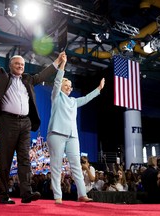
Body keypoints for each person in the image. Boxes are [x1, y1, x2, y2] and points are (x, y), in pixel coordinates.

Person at [0, 23, 65, 204]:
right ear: (10, 65)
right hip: (7, 122)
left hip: (25, 123)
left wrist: (57, 63)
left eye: (22, 64)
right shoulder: (3, 76)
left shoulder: (28, 79)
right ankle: (3, 196)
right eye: (17, 64)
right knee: (5, 160)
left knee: (25, 159)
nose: (20, 66)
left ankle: (26, 193)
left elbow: (43, 75)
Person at [46, 56, 105, 204]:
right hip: (56, 133)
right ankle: (58, 196)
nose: (68, 86)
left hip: (72, 136)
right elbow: (57, 80)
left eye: (70, 85)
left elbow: (86, 98)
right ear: (60, 86)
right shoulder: (56, 96)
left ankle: (82, 194)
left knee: (77, 166)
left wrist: (98, 89)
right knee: (56, 165)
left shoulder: (73, 101)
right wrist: (63, 64)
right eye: (66, 84)